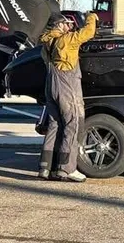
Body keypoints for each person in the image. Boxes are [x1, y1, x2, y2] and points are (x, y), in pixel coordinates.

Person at [38, 11, 98, 182]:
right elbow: (88, 33)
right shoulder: (67, 40)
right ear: (58, 25)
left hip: (51, 84)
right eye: (67, 24)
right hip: (66, 84)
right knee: (72, 124)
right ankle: (66, 169)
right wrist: (91, 17)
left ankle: (45, 167)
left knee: (54, 125)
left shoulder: (47, 39)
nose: (70, 27)